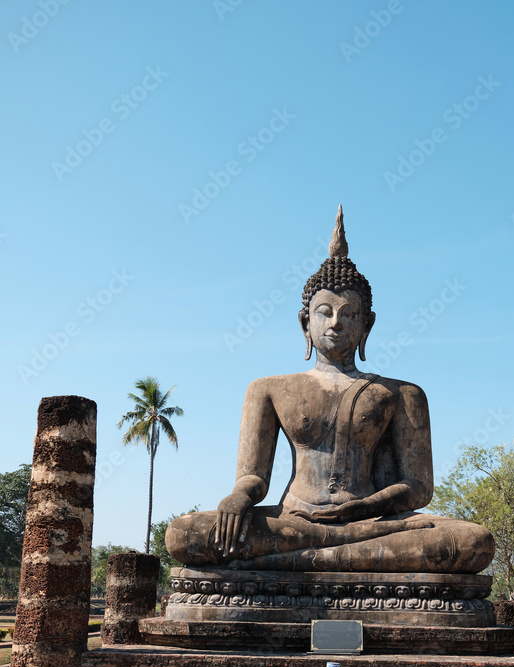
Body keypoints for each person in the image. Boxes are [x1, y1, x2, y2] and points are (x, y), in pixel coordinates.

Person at [166, 208, 494, 574]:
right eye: (325, 312)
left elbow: (418, 487)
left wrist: (367, 507)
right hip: (295, 520)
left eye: (349, 314)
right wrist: (239, 496)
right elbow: (254, 477)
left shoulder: (402, 394)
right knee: (184, 533)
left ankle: (300, 560)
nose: (336, 323)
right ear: (305, 323)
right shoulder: (268, 389)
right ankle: (337, 555)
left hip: (372, 523)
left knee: (473, 542)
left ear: (366, 325)